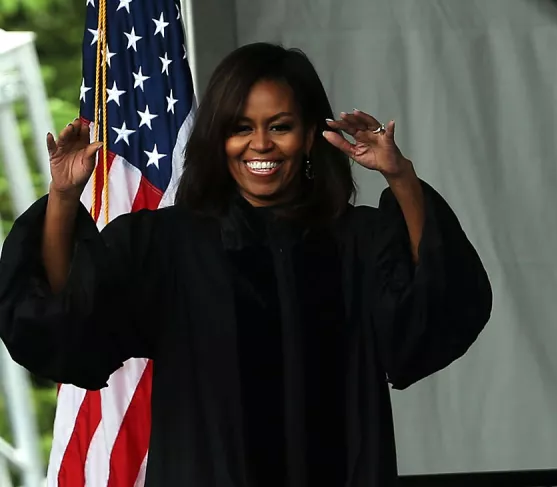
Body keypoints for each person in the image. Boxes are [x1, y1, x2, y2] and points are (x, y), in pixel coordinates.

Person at [0, 43, 491, 486]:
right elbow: (67, 320)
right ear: (219, 138)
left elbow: (434, 310)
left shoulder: (357, 240)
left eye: (280, 126)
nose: (260, 144)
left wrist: (399, 175)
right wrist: (64, 197)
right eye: (241, 128)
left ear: (308, 136)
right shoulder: (166, 243)